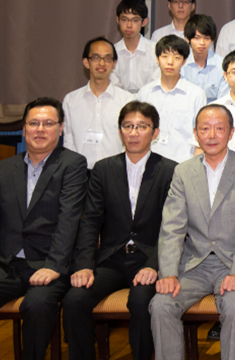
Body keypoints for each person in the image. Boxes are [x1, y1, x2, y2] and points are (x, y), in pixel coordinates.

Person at [0, 98, 88, 360]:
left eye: (48, 123)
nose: (40, 129)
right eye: (34, 123)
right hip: (7, 267)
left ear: (61, 129)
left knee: (37, 306)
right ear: (24, 129)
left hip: (50, 265)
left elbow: (69, 219)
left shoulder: (73, 165)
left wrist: (54, 265)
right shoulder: (2, 170)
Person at [150, 104, 235, 360]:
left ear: (231, 132)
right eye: (204, 129)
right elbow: (172, 228)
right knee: (161, 304)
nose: (212, 135)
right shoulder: (183, 172)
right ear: (196, 133)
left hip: (234, 262)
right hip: (194, 264)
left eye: (219, 128)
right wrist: (168, 273)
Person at [62, 101, 177, 360]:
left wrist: (155, 265)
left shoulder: (170, 170)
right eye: (128, 126)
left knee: (141, 301)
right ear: (119, 131)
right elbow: (90, 222)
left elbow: (172, 227)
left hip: (149, 260)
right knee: (74, 300)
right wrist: (84, 265)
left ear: (155, 133)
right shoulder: (103, 169)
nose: (134, 132)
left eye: (142, 126)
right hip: (111, 260)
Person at [62, 36, 134, 170]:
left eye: (107, 58)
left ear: (114, 64)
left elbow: (130, 140)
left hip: (115, 171)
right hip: (80, 173)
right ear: (86, 62)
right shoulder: (71, 100)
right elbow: (69, 141)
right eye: (96, 57)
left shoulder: (127, 100)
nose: (102, 63)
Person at [136, 36, 207, 164]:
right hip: (148, 162)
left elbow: (200, 135)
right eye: (165, 56)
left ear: (184, 61)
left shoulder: (196, 95)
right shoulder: (145, 93)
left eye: (177, 57)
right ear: (157, 59)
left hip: (182, 163)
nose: (170, 62)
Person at [111, 0, 160, 94]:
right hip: (120, 101)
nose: (129, 25)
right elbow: (114, 86)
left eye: (135, 20)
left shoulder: (155, 50)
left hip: (149, 101)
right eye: (124, 19)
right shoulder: (111, 52)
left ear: (144, 22)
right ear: (117, 19)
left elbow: (156, 84)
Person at [181, 14, 227, 102]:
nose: (202, 43)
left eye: (206, 38)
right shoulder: (180, 64)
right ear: (187, 38)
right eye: (197, 38)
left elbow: (223, 99)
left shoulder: (221, 65)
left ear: (212, 40)